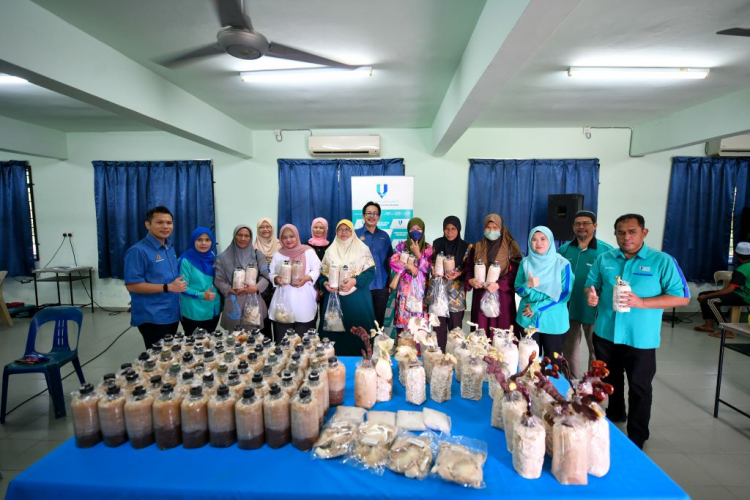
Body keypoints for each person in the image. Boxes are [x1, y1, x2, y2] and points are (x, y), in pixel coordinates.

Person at [585, 213, 690, 449]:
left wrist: (642, 302)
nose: (626, 237)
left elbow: (682, 297)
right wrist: (591, 296)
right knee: (609, 379)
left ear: (644, 233)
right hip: (606, 333)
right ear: (615, 234)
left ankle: (637, 435)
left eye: (632, 232)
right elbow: (591, 286)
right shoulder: (605, 259)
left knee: (639, 386)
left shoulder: (662, 261)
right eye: (621, 232)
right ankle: (615, 415)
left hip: (640, 337)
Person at [558, 211, 615, 378]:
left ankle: (593, 388)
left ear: (595, 226)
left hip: (595, 311)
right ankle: (572, 385)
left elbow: (613, 282)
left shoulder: (607, 252)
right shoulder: (564, 249)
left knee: (596, 351)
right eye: (577, 224)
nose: (581, 227)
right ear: (573, 227)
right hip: (569, 308)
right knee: (569, 350)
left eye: (586, 223)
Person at [124, 206, 185, 348]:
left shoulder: (169, 247)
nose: (165, 226)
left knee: (169, 355)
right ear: (148, 224)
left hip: (171, 313)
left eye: (169, 223)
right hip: (153, 316)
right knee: (158, 358)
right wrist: (168, 287)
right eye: (160, 222)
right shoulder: (138, 251)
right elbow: (132, 285)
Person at [320, 219, 378, 355]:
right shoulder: (330, 251)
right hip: (335, 299)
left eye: (347, 229)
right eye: (340, 229)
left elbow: (370, 272)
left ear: (352, 232)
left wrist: (354, 281)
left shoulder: (362, 249)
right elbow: (322, 275)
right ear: (336, 232)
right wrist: (325, 283)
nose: (344, 233)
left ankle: (362, 361)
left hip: (357, 300)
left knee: (359, 334)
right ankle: (334, 362)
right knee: (334, 335)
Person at [515, 226, 573, 361]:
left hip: (553, 321)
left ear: (550, 241)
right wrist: (527, 285)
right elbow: (518, 290)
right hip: (527, 320)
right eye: (534, 240)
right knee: (528, 361)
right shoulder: (525, 263)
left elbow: (565, 294)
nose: (538, 243)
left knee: (552, 363)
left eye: (543, 239)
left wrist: (536, 307)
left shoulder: (563, 264)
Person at [465, 214, 522, 337]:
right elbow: (468, 268)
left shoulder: (511, 247)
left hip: (502, 296)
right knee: (481, 334)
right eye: (488, 227)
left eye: (495, 228)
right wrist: (471, 281)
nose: (491, 231)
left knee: (502, 333)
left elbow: (517, 272)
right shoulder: (478, 247)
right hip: (481, 294)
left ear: (501, 228)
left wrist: (499, 284)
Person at [214, 225, 272, 333]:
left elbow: (266, 275)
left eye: (246, 236)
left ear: (251, 238)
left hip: (253, 302)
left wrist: (256, 288)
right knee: (236, 341)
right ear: (234, 236)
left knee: (255, 341)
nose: (243, 238)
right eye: (239, 235)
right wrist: (230, 289)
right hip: (233, 301)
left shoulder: (257, 255)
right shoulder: (223, 257)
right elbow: (218, 280)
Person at [268, 224, 321, 340]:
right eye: (284, 237)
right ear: (280, 239)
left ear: (297, 236)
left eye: (291, 236)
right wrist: (276, 279)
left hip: (303, 299)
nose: (288, 240)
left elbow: (318, 268)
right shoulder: (278, 254)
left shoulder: (308, 251)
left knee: (304, 342)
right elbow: (271, 273)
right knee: (283, 341)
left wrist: (307, 278)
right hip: (283, 299)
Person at [427, 216, 471, 351]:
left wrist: (459, 273)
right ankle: (438, 359)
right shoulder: (437, 244)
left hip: (456, 295)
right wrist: (433, 270)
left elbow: (469, 268)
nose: (450, 232)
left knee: (455, 329)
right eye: (446, 229)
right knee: (438, 329)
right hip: (439, 293)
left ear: (458, 230)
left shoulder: (466, 247)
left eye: (453, 229)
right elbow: (430, 263)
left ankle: (456, 359)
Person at [694, 242, 750, 339]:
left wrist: (707, 296)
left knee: (710, 301)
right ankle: (709, 325)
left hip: (744, 297)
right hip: (742, 293)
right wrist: (706, 295)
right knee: (703, 294)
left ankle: (727, 331)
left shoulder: (742, 269)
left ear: (736, 255)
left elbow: (730, 289)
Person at [389, 217, 433, 333]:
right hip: (405, 290)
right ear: (408, 231)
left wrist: (418, 254)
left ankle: (418, 350)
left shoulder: (428, 248)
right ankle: (403, 349)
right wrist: (408, 266)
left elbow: (430, 268)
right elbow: (393, 262)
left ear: (423, 230)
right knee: (404, 324)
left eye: (418, 229)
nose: (415, 231)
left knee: (419, 325)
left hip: (421, 291)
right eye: (412, 229)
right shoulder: (401, 246)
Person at [355, 202, 393, 328]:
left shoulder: (384, 236)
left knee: (378, 322)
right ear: (363, 215)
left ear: (379, 216)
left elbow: (390, 260)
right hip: (362, 285)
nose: (372, 216)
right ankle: (362, 348)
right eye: (369, 213)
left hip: (381, 286)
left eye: (375, 213)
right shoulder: (354, 235)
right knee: (361, 322)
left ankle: (377, 347)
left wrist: (389, 283)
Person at [177, 227, 221, 335]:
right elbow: (181, 287)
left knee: (210, 343)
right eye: (199, 239)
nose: (204, 243)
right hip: (194, 311)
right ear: (193, 241)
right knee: (194, 347)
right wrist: (201, 295)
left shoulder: (214, 257)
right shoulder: (185, 260)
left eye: (207, 240)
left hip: (213, 309)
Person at [253, 217, 280, 337]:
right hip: (260, 288)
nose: (265, 229)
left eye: (268, 226)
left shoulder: (281, 245)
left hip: (278, 286)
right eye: (262, 227)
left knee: (279, 317)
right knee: (263, 318)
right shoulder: (252, 247)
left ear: (272, 228)